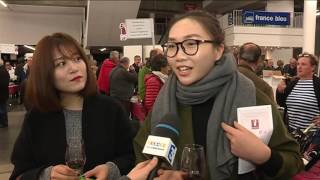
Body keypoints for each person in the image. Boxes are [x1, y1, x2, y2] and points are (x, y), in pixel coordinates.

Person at [134, 10, 303, 180]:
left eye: (191, 43)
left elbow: (294, 162)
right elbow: (142, 154)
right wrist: (161, 173)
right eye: (172, 46)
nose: (179, 55)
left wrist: (264, 156)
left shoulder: (251, 97)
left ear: (218, 50)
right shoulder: (166, 99)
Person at [10, 33, 135, 180]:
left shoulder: (111, 109)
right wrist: (45, 175)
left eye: (77, 59)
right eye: (61, 63)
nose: (74, 68)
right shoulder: (36, 118)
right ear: (45, 74)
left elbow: (132, 156)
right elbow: (20, 173)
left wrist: (111, 169)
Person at [276, 52, 320, 131]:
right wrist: (279, 91)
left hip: (313, 135)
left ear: (313, 67)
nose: (299, 67)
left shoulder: (317, 84)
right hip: (292, 131)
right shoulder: (293, 83)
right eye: (298, 64)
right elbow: (282, 103)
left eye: (303, 64)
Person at [0, 59, 10, 128]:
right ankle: (4, 122)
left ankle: (3, 123)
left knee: (2, 109)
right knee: (3, 108)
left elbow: (3, 83)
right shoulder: (5, 71)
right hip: (4, 93)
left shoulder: (1, 71)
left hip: (1, 94)